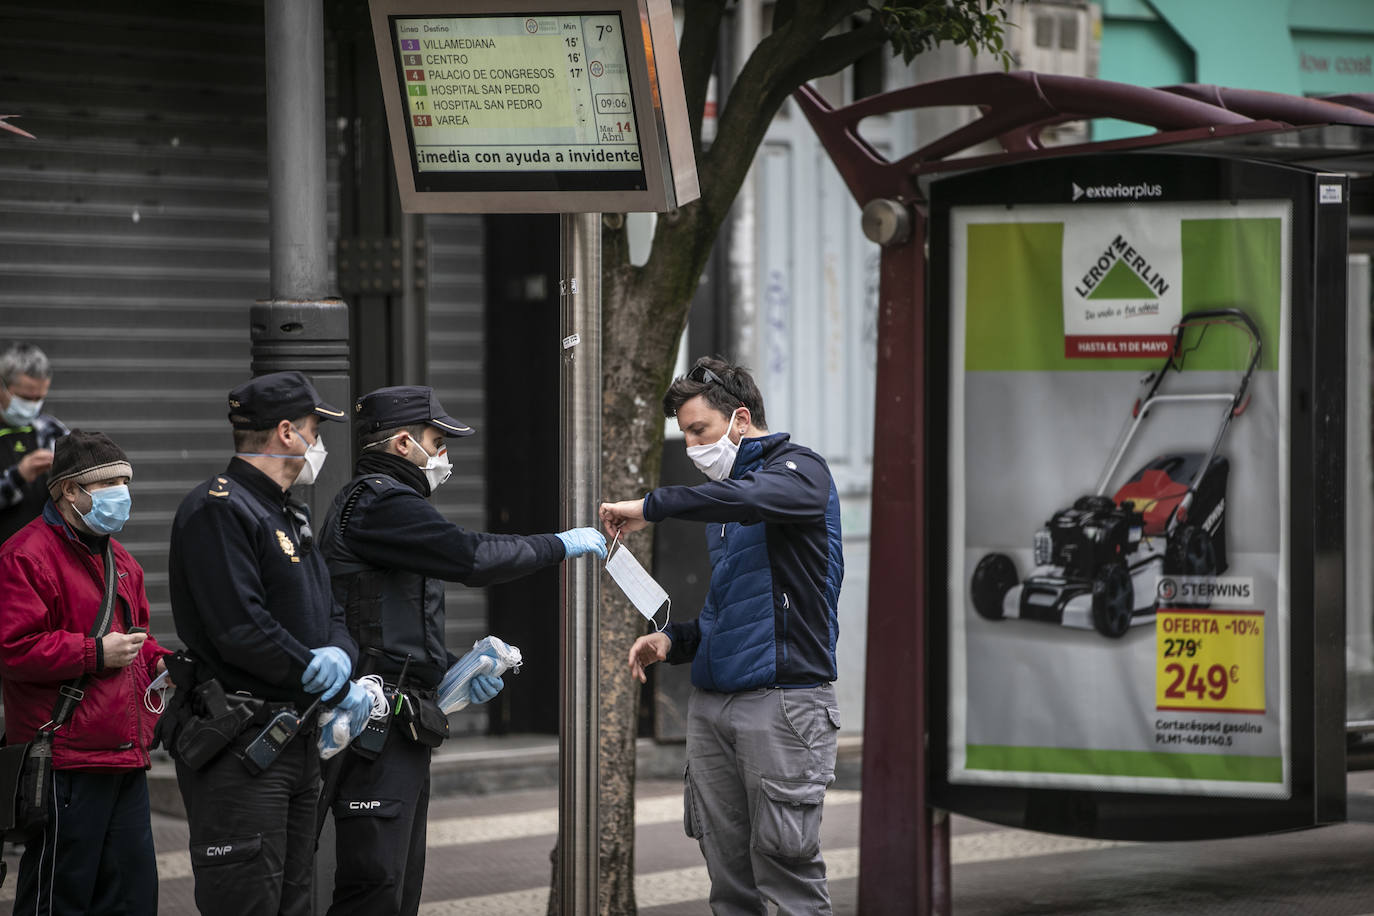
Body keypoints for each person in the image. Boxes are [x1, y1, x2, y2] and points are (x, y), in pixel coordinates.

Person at [317, 384, 606, 916]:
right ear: (405, 443)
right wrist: (558, 545)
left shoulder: (393, 507)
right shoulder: (379, 502)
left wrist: (456, 672)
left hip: (402, 721)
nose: (446, 455)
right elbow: (470, 557)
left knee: (398, 883)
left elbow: (392, 619)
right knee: (375, 883)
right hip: (374, 724)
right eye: (438, 441)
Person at [600, 356, 844, 916]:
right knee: (729, 881)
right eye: (683, 434)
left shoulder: (800, 472)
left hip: (783, 703)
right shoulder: (724, 506)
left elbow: (753, 498)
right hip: (714, 706)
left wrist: (652, 507)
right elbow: (728, 609)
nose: (690, 447)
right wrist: (676, 642)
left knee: (787, 875)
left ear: (739, 418)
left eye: (698, 431)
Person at [167, 370, 371, 916]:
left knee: (293, 899)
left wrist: (341, 659)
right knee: (247, 898)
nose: (319, 444)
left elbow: (331, 610)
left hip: (297, 741)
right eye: (315, 430)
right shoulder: (218, 509)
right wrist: (314, 667)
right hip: (242, 746)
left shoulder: (290, 512)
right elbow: (240, 628)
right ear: (286, 432)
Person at [0, 429, 170, 915]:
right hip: (65, 759)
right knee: (60, 896)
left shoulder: (125, 563)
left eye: (125, 480)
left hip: (126, 754)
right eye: (109, 481)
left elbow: (135, 638)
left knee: (133, 897)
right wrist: (95, 653)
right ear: (69, 490)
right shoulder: (25, 555)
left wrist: (162, 660)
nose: (122, 492)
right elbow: (14, 649)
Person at [0, 341, 69, 543]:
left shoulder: (51, 430)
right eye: (25, 397)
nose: (32, 406)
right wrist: (18, 476)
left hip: (41, 555)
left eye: (39, 398)